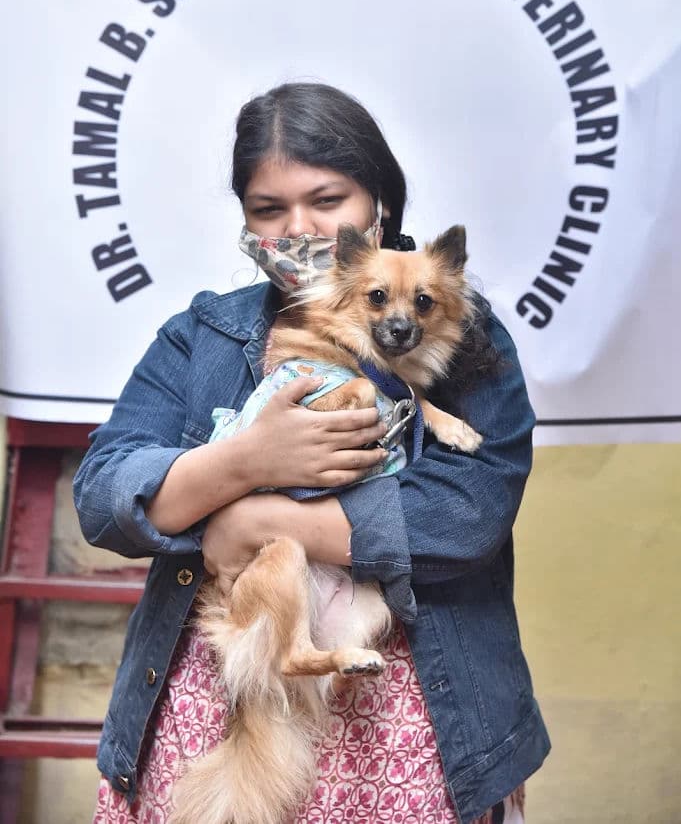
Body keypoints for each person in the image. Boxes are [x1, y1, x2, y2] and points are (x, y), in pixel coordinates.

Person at [74, 82, 550, 824]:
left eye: (326, 200)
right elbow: (104, 494)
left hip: (417, 728)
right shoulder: (200, 335)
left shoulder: (459, 339)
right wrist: (244, 463)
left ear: (377, 207)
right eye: (268, 209)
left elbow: (467, 516)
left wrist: (248, 523)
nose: (301, 229)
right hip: (223, 702)